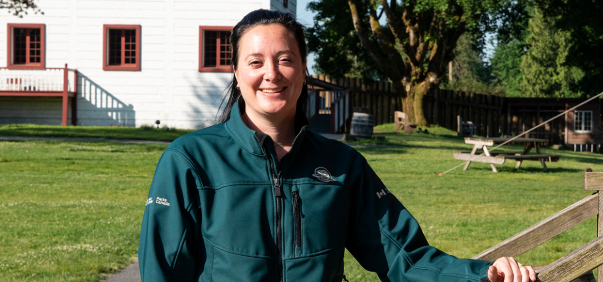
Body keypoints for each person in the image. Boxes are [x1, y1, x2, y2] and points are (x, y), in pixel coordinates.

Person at [139, 9, 537, 282]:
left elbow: (405, 257)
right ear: (237, 73)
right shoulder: (189, 160)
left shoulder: (342, 164)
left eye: (285, 59)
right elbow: (163, 270)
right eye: (256, 62)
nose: (272, 74)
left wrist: (482, 274)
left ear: (303, 70)